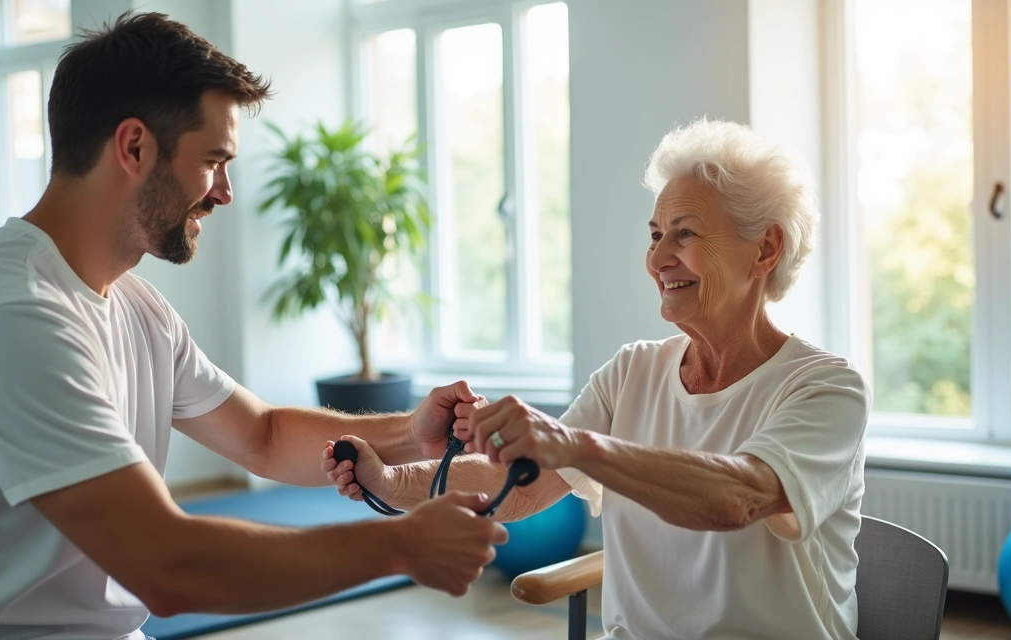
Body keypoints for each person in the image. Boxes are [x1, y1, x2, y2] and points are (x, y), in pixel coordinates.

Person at [0, 12, 506, 640]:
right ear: (135, 146)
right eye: (214, 160)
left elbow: (262, 435)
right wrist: (399, 546)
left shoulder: (137, 306)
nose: (225, 191)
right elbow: (166, 565)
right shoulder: (12, 316)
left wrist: (409, 432)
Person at [325, 119, 871, 640]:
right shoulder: (634, 369)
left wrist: (573, 445)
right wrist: (392, 482)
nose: (658, 258)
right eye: (655, 235)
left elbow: (739, 497)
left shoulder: (825, 388)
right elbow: (528, 484)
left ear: (766, 249)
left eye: (685, 235)